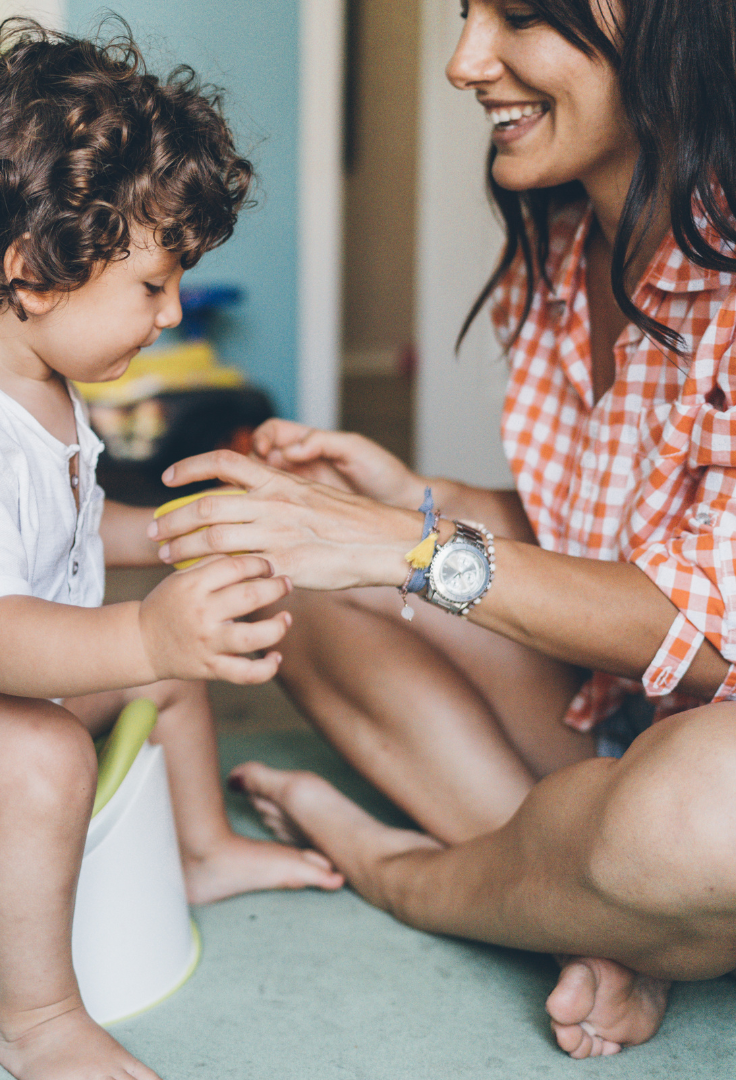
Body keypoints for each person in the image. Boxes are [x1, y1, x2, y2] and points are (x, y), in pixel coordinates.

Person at [149, 0, 736, 1061]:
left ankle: (401, 871)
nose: (467, 62)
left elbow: (708, 629)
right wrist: (414, 502)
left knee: (701, 816)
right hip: (621, 715)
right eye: (466, 15)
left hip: (710, 747)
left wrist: (406, 549)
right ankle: (598, 923)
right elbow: (613, 534)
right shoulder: (563, 245)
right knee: (276, 583)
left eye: (518, 17)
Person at [0, 22, 342, 1080]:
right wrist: (147, 629)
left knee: (166, 682)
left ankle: (200, 851)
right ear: (34, 272)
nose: (172, 312)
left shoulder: (39, 385)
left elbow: (63, 527)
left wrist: (169, 538)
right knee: (46, 756)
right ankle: (39, 1020)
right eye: (152, 288)